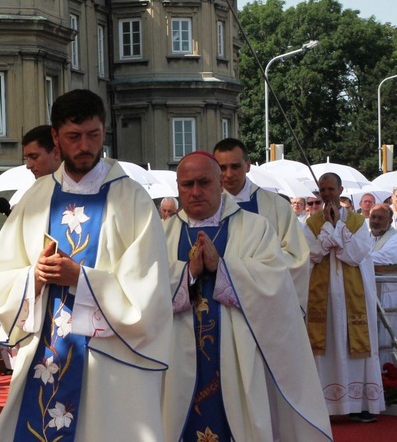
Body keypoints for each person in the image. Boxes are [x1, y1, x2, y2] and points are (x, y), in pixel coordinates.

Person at [0, 89, 172, 441]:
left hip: (108, 361)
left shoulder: (132, 199)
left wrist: (80, 279)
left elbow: (148, 289)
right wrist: (34, 278)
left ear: (104, 131)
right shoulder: (36, 199)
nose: (85, 145)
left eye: (93, 135)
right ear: (56, 138)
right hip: (47, 351)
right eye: (73, 136)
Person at [162, 151, 331, 442]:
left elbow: (277, 284)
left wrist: (223, 268)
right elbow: (146, 289)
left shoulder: (255, 227)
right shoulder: (162, 232)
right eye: (187, 185)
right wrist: (187, 272)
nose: (195, 192)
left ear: (219, 183)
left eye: (204, 182)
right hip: (176, 355)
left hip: (237, 357)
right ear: (178, 188)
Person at [304, 173, 385, 421]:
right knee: (324, 347)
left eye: (330, 188)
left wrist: (335, 228)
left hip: (353, 298)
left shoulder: (359, 222)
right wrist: (330, 230)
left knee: (356, 346)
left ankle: (359, 404)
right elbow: (313, 252)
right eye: (322, 189)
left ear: (340, 189)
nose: (326, 193)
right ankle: (324, 406)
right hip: (323, 300)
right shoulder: (309, 223)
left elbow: (354, 254)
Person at [213, 138, 311, 312]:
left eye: (235, 166)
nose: (228, 174)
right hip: (217, 303)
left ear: (248, 165)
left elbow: (297, 258)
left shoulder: (276, 206)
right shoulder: (208, 208)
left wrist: (248, 270)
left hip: (264, 304)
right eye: (222, 168)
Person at [368, 203, 397, 366]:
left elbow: (383, 258)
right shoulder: (367, 236)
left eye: (381, 218)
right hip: (370, 296)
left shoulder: (395, 239)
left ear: (390, 220)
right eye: (373, 217)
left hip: (389, 295)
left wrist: (355, 256)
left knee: (386, 342)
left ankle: (388, 377)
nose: (376, 221)